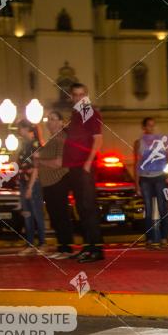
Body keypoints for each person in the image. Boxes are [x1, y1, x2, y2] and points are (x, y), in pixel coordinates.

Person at [62, 83, 104, 263]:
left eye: (82, 95)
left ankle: (96, 250)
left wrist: (88, 162)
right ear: (71, 97)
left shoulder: (88, 111)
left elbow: (98, 139)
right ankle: (88, 247)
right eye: (75, 95)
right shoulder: (75, 114)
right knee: (81, 208)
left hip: (84, 166)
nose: (79, 98)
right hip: (74, 167)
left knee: (88, 207)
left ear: (86, 96)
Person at [37, 111, 74, 259]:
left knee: (61, 215)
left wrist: (39, 161)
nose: (49, 122)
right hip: (49, 183)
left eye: (53, 119)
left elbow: (59, 163)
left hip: (58, 181)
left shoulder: (61, 138)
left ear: (61, 122)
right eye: (48, 119)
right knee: (55, 216)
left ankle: (66, 248)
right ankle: (61, 247)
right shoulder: (52, 139)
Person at [134, 117, 168, 246]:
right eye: (149, 126)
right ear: (144, 127)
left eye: (153, 125)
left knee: (163, 208)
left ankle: (164, 238)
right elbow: (137, 163)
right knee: (148, 209)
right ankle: (149, 238)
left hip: (160, 177)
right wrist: (136, 183)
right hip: (145, 178)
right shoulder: (139, 142)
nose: (151, 128)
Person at [16, 120, 47, 256]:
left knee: (36, 213)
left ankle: (42, 243)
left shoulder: (35, 145)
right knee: (27, 214)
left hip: (33, 183)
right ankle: (30, 244)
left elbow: (36, 167)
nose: (19, 131)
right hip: (24, 182)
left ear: (27, 129)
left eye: (21, 129)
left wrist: (29, 187)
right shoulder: (24, 145)